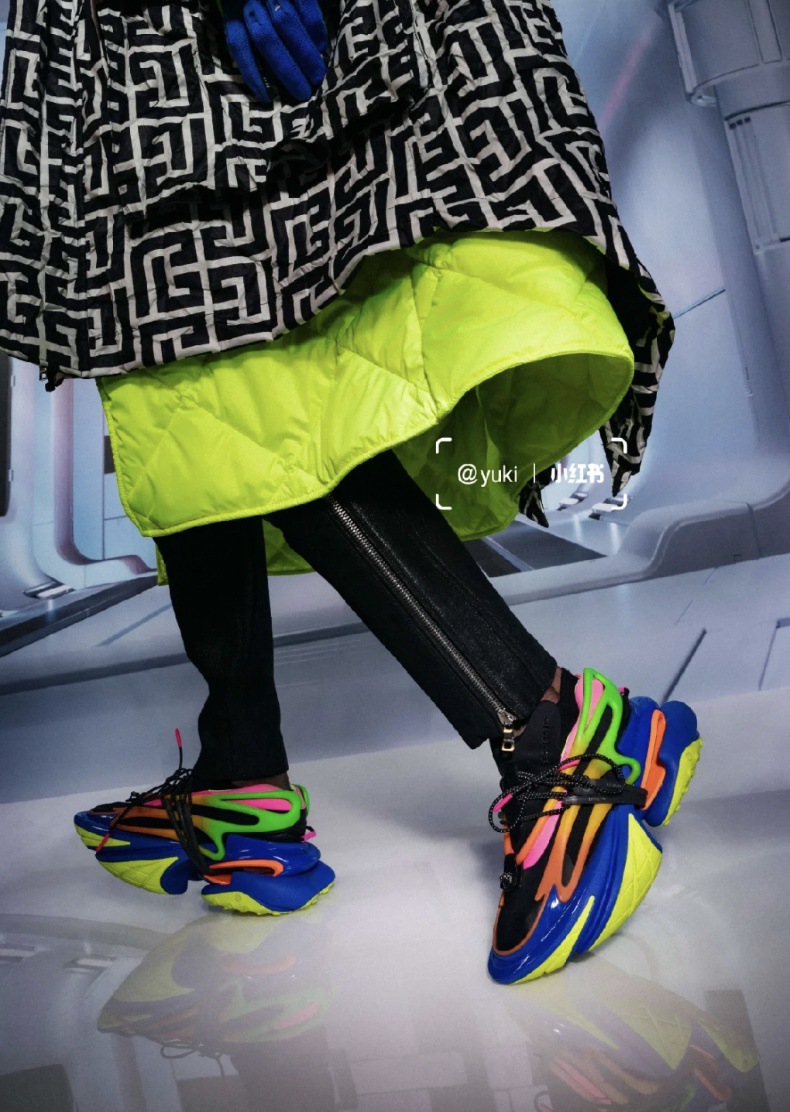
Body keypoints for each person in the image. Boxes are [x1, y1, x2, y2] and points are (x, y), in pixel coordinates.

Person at [0, 0, 701, 984]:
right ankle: (240, 771)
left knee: (251, 380)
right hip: (110, 42)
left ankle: (549, 723)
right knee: (166, 369)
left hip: (197, 28)